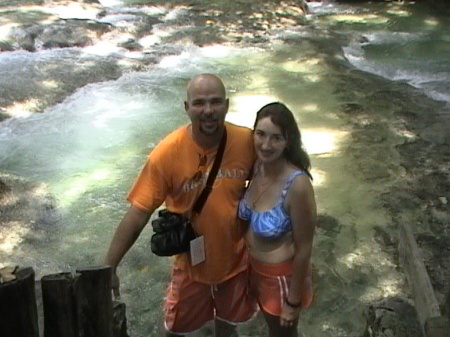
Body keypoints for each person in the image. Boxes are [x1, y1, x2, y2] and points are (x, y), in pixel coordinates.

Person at [104, 74, 256, 337]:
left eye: (215, 102)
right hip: (190, 267)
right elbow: (139, 212)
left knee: (229, 327)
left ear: (227, 105)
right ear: (186, 108)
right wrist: (109, 267)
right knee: (177, 330)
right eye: (199, 103)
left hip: (237, 263)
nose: (208, 111)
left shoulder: (247, 142)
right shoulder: (168, 153)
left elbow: (278, 179)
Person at [238, 102, 316, 337]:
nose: (266, 145)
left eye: (276, 138)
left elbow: (304, 250)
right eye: (260, 134)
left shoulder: (298, 185)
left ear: (288, 141)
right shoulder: (256, 166)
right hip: (254, 271)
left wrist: (292, 302)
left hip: (281, 281)